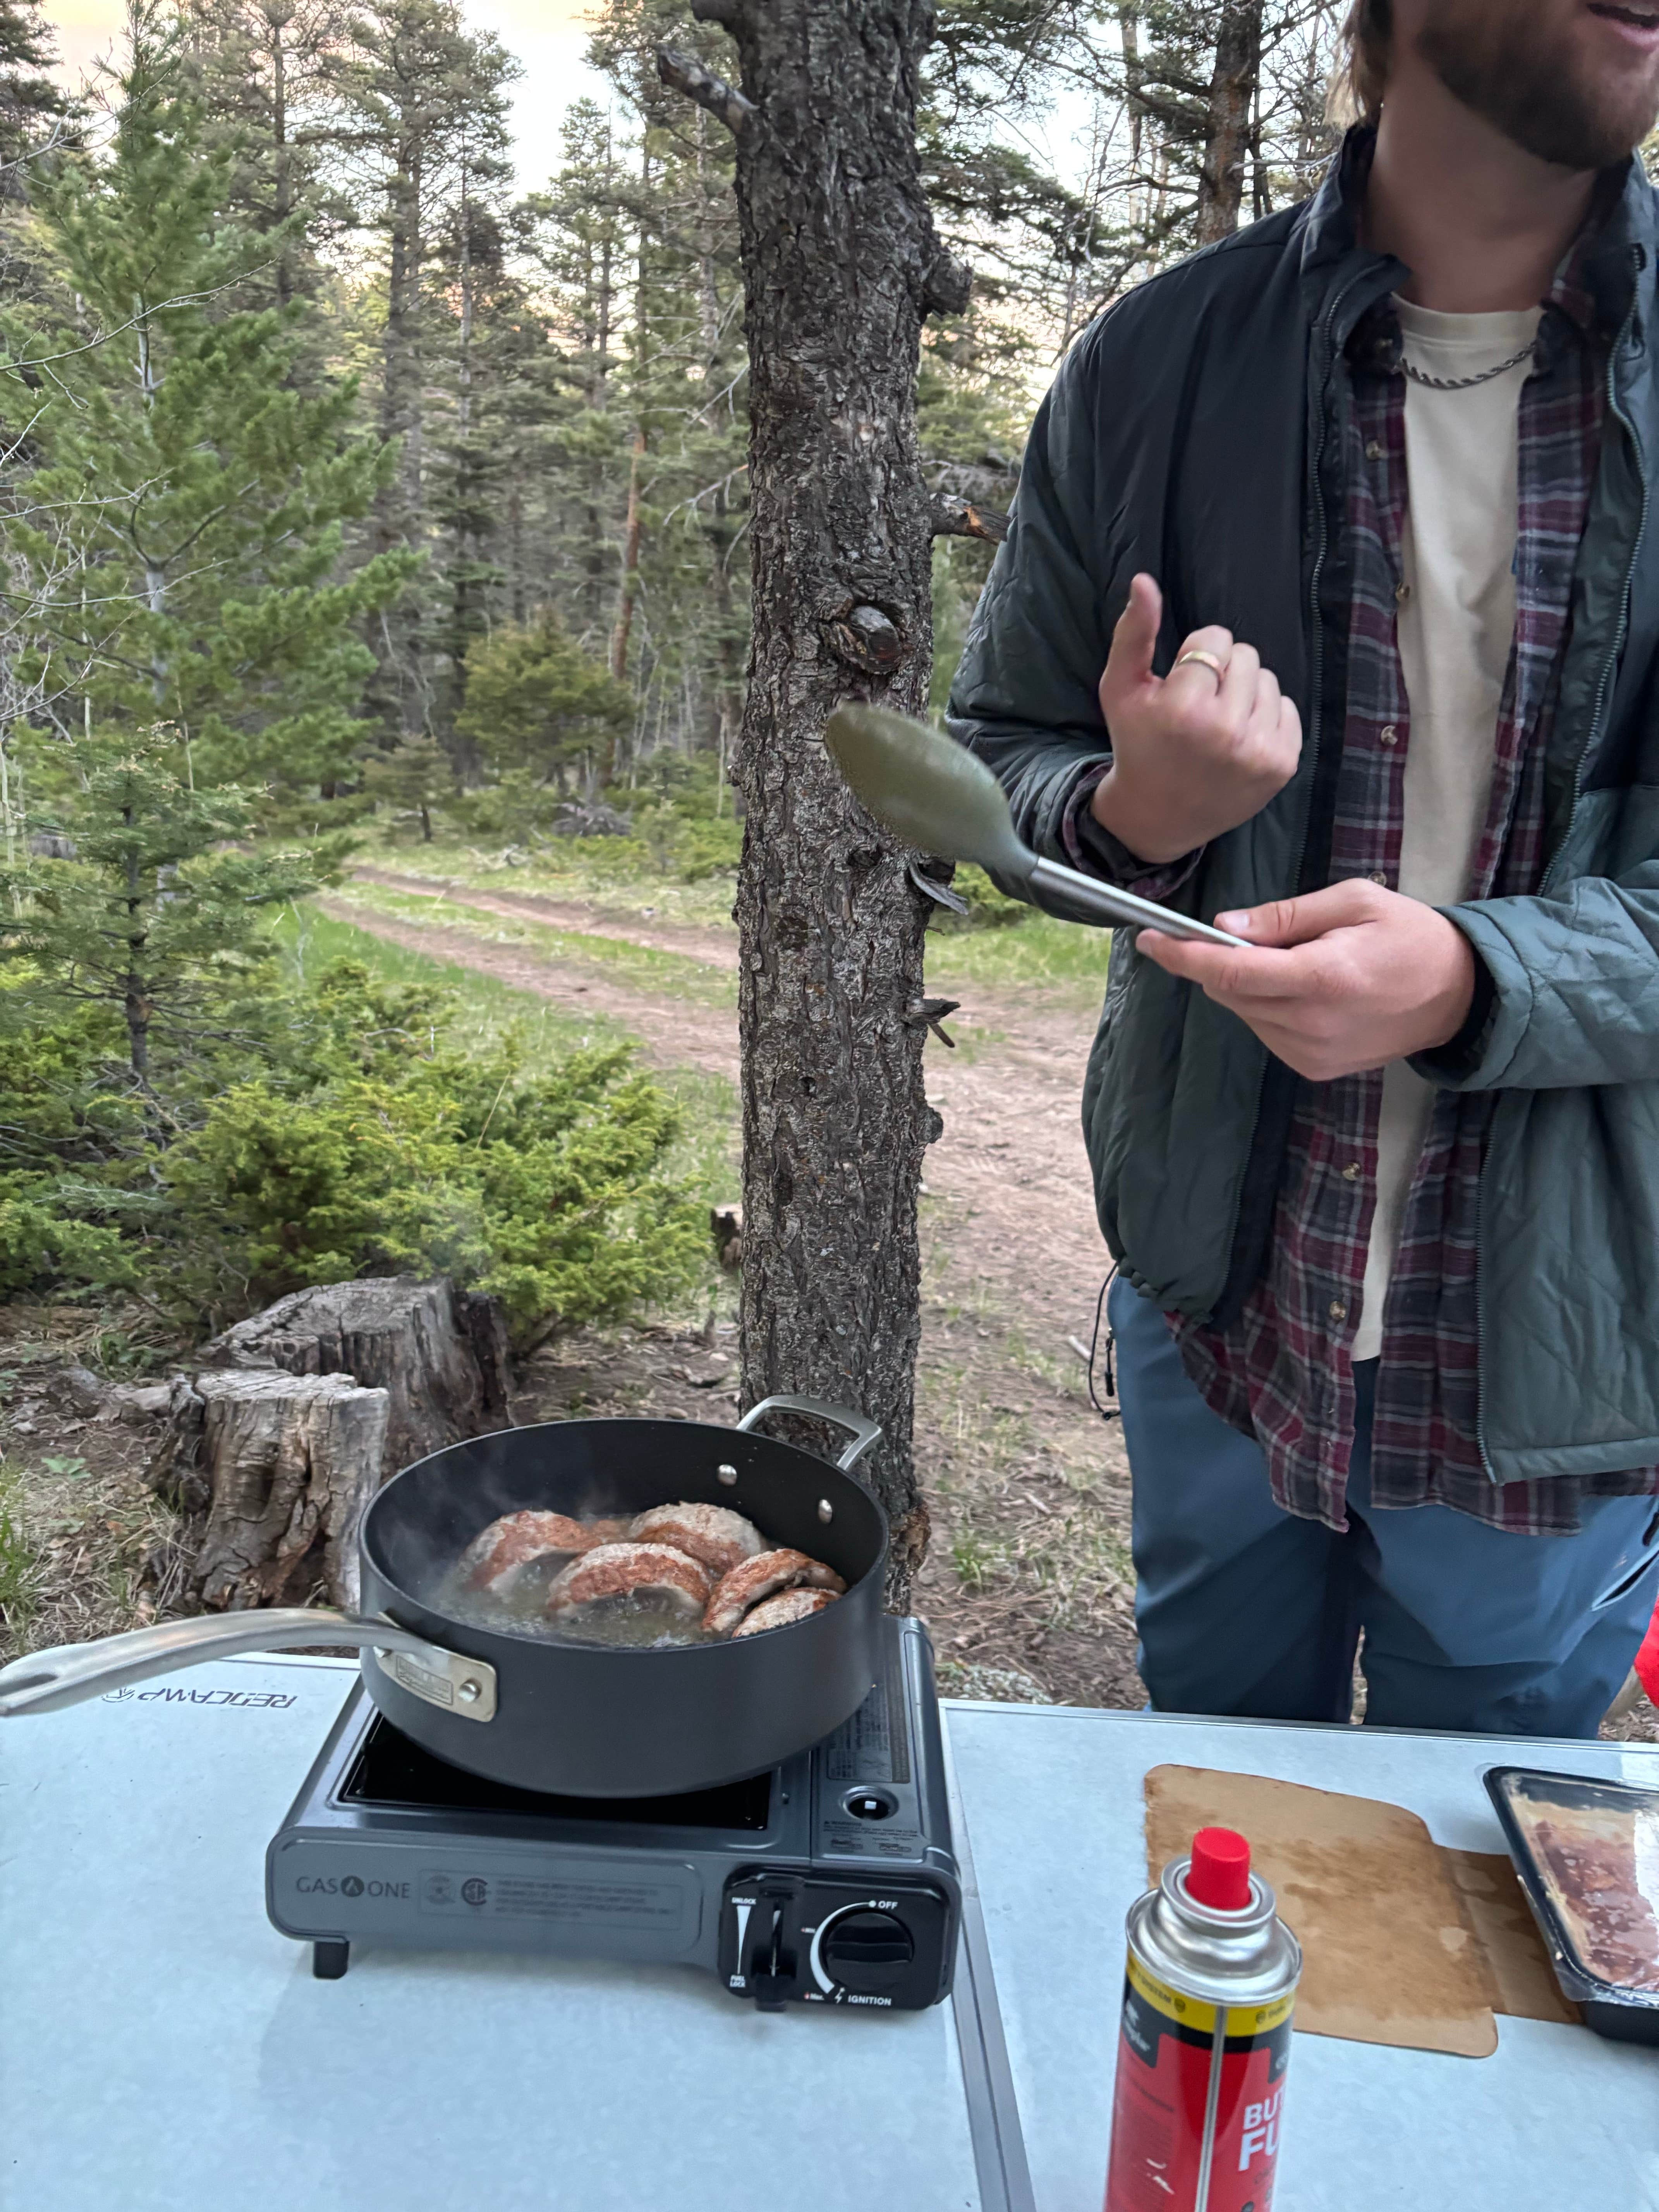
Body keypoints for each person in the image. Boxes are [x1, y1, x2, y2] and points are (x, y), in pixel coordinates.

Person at [948, 0, 1659, 1737]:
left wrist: (1483, 979)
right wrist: (1134, 814)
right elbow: (993, 761)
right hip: (1221, 1308)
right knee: (1205, 1779)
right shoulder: (1158, 364)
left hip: (1577, 1354)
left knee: (1480, 1892)